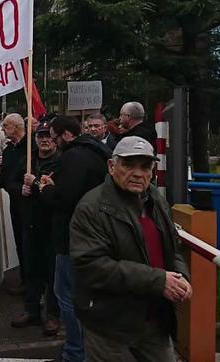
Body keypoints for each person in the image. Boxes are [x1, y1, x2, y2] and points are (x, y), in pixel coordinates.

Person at [70, 137, 191, 361]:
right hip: (110, 323)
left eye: (145, 166)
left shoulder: (156, 198)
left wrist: (180, 277)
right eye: (128, 164)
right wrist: (158, 280)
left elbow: (172, 247)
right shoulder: (91, 208)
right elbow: (91, 266)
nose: (137, 173)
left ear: (153, 170)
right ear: (111, 166)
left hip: (155, 318)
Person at [32, 116, 111, 362]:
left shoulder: (74, 156)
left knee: (66, 294)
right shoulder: (98, 152)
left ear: (66, 134)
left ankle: (75, 352)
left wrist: (45, 187)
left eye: (54, 136)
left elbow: (64, 198)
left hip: (71, 237)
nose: (52, 141)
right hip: (95, 235)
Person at [0, 121, 60, 335]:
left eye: (48, 136)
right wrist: (19, 188)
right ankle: (31, 310)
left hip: (52, 227)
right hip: (30, 225)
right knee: (31, 270)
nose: (44, 140)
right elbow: (7, 182)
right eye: (40, 136)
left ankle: (52, 315)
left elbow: (62, 194)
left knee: (52, 273)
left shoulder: (62, 162)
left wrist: (37, 182)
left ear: (54, 139)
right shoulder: (27, 160)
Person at [0, 113, 28, 290]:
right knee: (19, 240)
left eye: (5, 126)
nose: (3, 129)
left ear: (17, 127)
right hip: (15, 202)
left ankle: (34, 284)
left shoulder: (29, 149)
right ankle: (25, 280)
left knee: (29, 244)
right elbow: (6, 175)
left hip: (29, 205)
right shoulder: (9, 149)